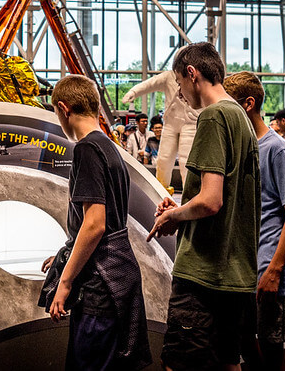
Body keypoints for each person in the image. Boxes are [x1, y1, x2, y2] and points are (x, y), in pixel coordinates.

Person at [147, 42, 260, 371]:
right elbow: (227, 197)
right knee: (228, 362)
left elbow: (211, 201)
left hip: (202, 275)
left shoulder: (213, 116)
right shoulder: (242, 118)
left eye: (180, 85)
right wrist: (183, 206)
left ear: (191, 74)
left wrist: (172, 215)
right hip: (235, 273)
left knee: (179, 363)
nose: (180, 94)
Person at [42, 74, 151, 369]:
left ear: (64, 109)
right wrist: (65, 257)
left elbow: (95, 224)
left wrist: (65, 281)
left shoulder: (87, 149)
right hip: (118, 276)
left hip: (99, 288)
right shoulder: (109, 147)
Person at [223, 72, 285, 371]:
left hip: (269, 268)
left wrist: (275, 269)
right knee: (245, 340)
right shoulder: (243, 146)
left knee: (272, 347)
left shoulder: (277, 149)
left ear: (248, 104)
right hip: (245, 269)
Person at [122, 67, 201, 187]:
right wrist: (133, 92)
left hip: (189, 124)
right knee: (163, 160)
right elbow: (150, 84)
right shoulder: (168, 76)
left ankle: (189, 195)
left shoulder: (196, 77)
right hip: (170, 124)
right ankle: (162, 192)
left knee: (187, 162)